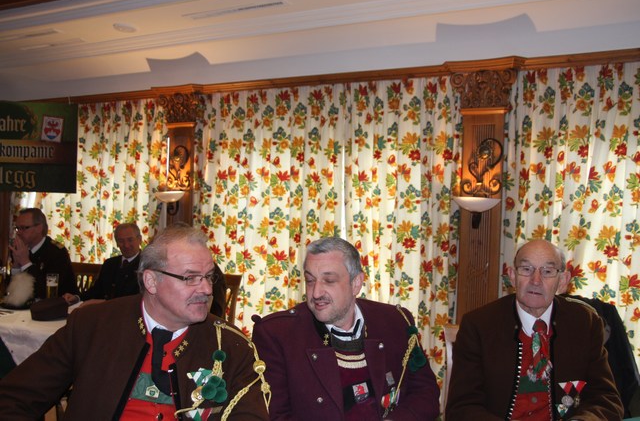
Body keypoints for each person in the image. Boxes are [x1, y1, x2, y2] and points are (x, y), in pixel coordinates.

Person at [0, 225, 270, 420]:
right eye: (190, 278)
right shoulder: (92, 325)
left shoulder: (231, 345)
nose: (207, 289)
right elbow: (15, 398)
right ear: (151, 281)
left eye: (209, 277)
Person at [252, 236, 440, 420]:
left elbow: (426, 393)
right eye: (310, 280)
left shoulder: (395, 321)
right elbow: (274, 415)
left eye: (329, 281)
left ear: (356, 283)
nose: (316, 293)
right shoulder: (277, 334)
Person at [445, 239, 623, 420]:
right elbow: (462, 408)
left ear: (562, 281)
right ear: (512, 276)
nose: (536, 280)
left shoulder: (584, 323)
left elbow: (606, 399)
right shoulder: (479, 325)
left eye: (547, 271)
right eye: (526, 269)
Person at [63, 222, 143, 304]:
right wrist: (77, 298)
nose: (126, 245)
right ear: (116, 243)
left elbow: (137, 298)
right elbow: (96, 290)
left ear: (140, 239)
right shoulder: (110, 263)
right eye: (121, 241)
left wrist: (103, 302)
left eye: (130, 240)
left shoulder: (146, 265)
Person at [8, 207, 77, 301]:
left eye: (24, 228)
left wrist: (25, 263)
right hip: (27, 305)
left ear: (39, 228)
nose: (19, 233)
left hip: (59, 305)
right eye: (17, 228)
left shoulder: (56, 252)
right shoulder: (20, 249)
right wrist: (16, 266)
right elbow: (10, 292)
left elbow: (45, 292)